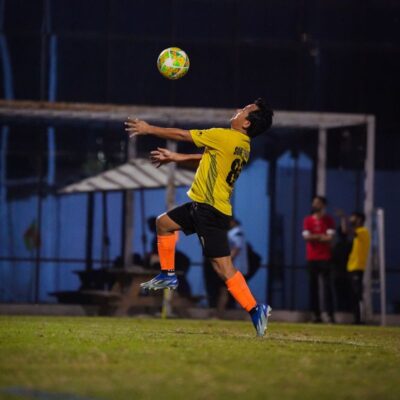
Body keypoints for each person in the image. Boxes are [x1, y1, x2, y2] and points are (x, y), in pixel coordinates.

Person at [125, 98, 274, 336]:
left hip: (210, 210)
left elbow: (183, 135)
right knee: (163, 223)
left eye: (244, 110)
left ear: (246, 123)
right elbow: (208, 159)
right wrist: (176, 159)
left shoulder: (223, 136)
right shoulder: (242, 145)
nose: (237, 110)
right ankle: (168, 275)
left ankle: (256, 309)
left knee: (224, 269)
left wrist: (148, 128)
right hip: (202, 205)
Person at [302, 196, 336, 323]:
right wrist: (321, 236)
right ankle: (316, 316)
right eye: (314, 202)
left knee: (327, 287)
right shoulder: (308, 220)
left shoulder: (329, 220)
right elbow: (306, 237)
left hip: (325, 257)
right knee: (313, 287)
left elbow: (329, 238)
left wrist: (314, 237)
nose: (315, 204)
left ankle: (330, 315)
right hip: (312, 258)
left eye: (318, 203)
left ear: (323, 205)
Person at [345, 212, 371, 324]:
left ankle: (361, 319)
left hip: (358, 266)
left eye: (353, 217)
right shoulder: (358, 232)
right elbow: (345, 231)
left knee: (357, 293)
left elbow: (351, 232)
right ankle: (356, 318)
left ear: (359, 219)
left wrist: (344, 218)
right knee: (353, 294)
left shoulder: (363, 231)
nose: (351, 219)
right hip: (351, 266)